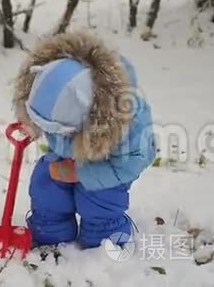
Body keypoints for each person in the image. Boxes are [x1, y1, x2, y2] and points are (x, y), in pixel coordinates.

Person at [12, 32, 156, 248]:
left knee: (97, 199)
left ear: (87, 116)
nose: (51, 133)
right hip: (70, 153)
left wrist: (80, 173)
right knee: (46, 184)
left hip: (111, 166)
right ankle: (50, 232)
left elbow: (131, 163)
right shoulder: (55, 84)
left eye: (56, 129)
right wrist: (32, 125)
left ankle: (104, 239)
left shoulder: (128, 122)